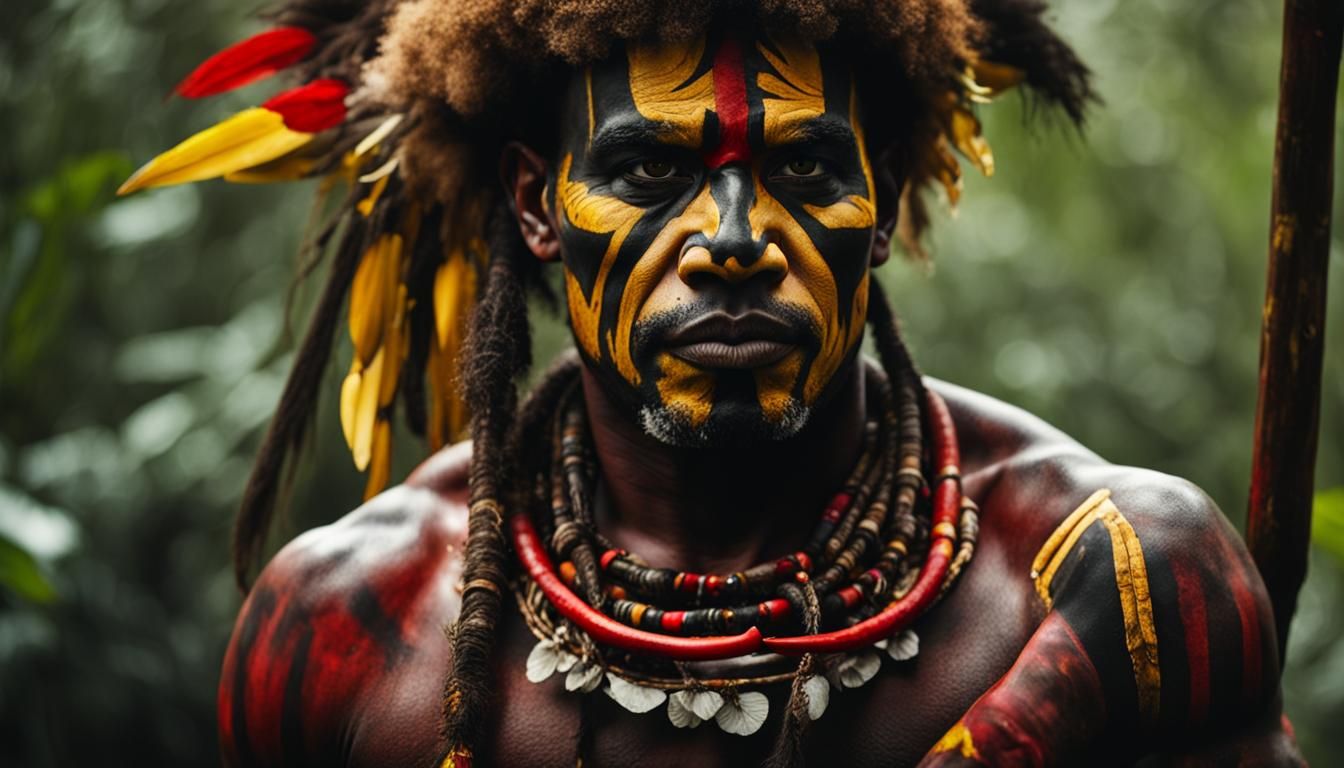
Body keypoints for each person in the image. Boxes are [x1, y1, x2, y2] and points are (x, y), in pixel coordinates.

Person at [121, 1, 1306, 765]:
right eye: (646, 167)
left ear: (881, 203)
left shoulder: (1115, 587)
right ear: (537, 203)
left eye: (800, 163)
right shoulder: (348, 624)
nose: (731, 237)